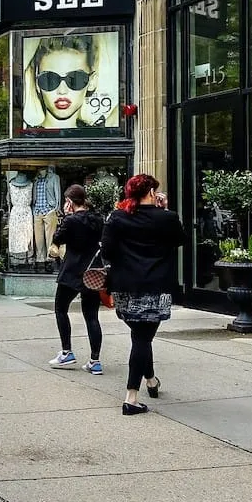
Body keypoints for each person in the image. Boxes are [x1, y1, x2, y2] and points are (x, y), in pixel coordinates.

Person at [101, 174, 187, 415]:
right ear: (151, 193)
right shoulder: (168, 218)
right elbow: (181, 240)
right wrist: (165, 210)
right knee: (142, 338)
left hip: (124, 287)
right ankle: (131, 398)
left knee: (140, 336)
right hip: (155, 288)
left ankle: (150, 379)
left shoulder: (117, 218)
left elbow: (106, 250)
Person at [48, 184, 105, 375]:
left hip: (72, 271)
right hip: (92, 274)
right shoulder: (98, 219)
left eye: (67, 201)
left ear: (70, 202)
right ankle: (95, 361)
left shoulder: (71, 221)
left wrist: (65, 217)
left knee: (60, 309)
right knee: (92, 317)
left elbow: (58, 238)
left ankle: (66, 351)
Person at [21, 34, 118, 131]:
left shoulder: (104, 132)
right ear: (37, 83)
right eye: (50, 80)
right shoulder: (25, 138)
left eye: (75, 79)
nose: (62, 91)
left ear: (92, 81)